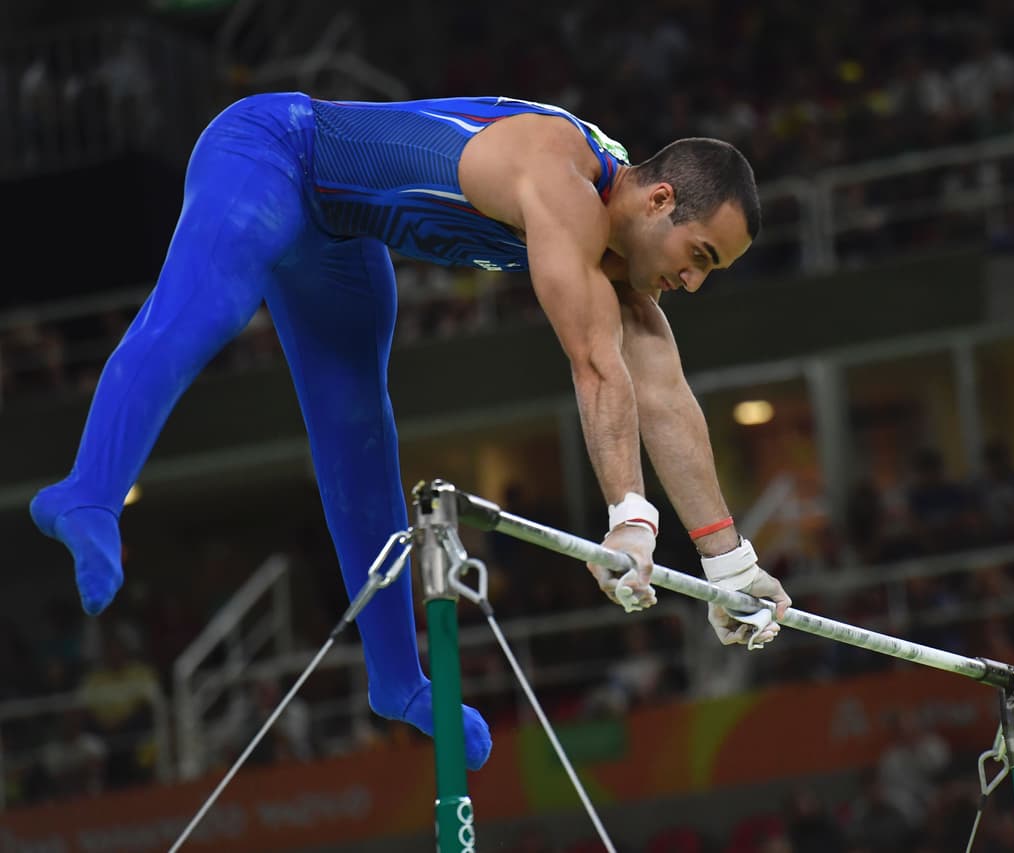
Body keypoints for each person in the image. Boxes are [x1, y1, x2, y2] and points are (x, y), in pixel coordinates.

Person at [29, 92, 793, 771]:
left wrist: (729, 562)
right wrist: (630, 518)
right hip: (272, 151)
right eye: (699, 258)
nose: (692, 284)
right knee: (211, 309)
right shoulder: (562, 184)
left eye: (710, 272)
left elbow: (663, 390)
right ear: (660, 200)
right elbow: (596, 366)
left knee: (361, 434)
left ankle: (398, 681)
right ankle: (88, 492)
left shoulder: (619, 240)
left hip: (343, 235)